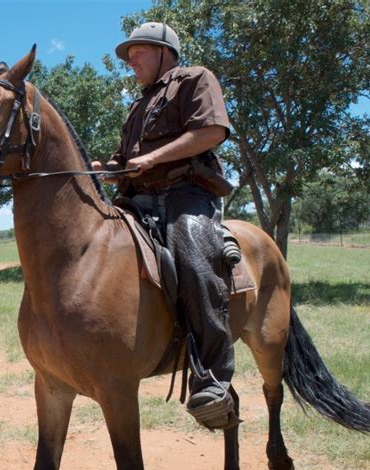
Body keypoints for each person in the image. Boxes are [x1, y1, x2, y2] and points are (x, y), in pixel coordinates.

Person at [92, 22, 237, 431]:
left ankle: (213, 376)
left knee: (192, 254)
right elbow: (126, 160)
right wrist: (107, 168)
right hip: (137, 199)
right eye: (129, 54)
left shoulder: (195, 78)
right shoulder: (138, 106)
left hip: (184, 194)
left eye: (138, 52)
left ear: (164, 52)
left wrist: (154, 159)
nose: (130, 60)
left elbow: (211, 131)